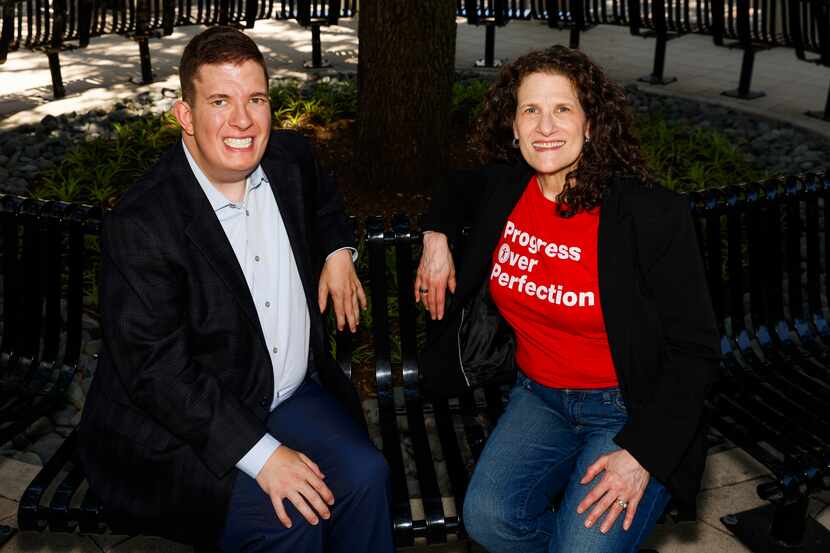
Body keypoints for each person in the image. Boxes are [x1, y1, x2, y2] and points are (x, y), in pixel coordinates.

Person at [77, 26, 394, 553]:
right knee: (291, 517)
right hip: (182, 430)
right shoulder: (144, 223)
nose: (243, 121)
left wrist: (339, 252)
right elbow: (156, 373)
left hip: (285, 394)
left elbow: (324, 200)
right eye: (220, 101)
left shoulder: (290, 160)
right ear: (185, 115)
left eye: (256, 99)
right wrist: (263, 455)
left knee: (366, 476)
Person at [414, 46, 720, 553]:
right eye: (530, 110)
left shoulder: (649, 216)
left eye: (563, 109)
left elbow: (696, 351)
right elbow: (454, 185)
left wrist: (641, 454)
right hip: (540, 396)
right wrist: (436, 236)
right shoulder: (508, 189)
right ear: (512, 127)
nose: (544, 126)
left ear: (592, 124)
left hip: (627, 407)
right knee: (489, 518)